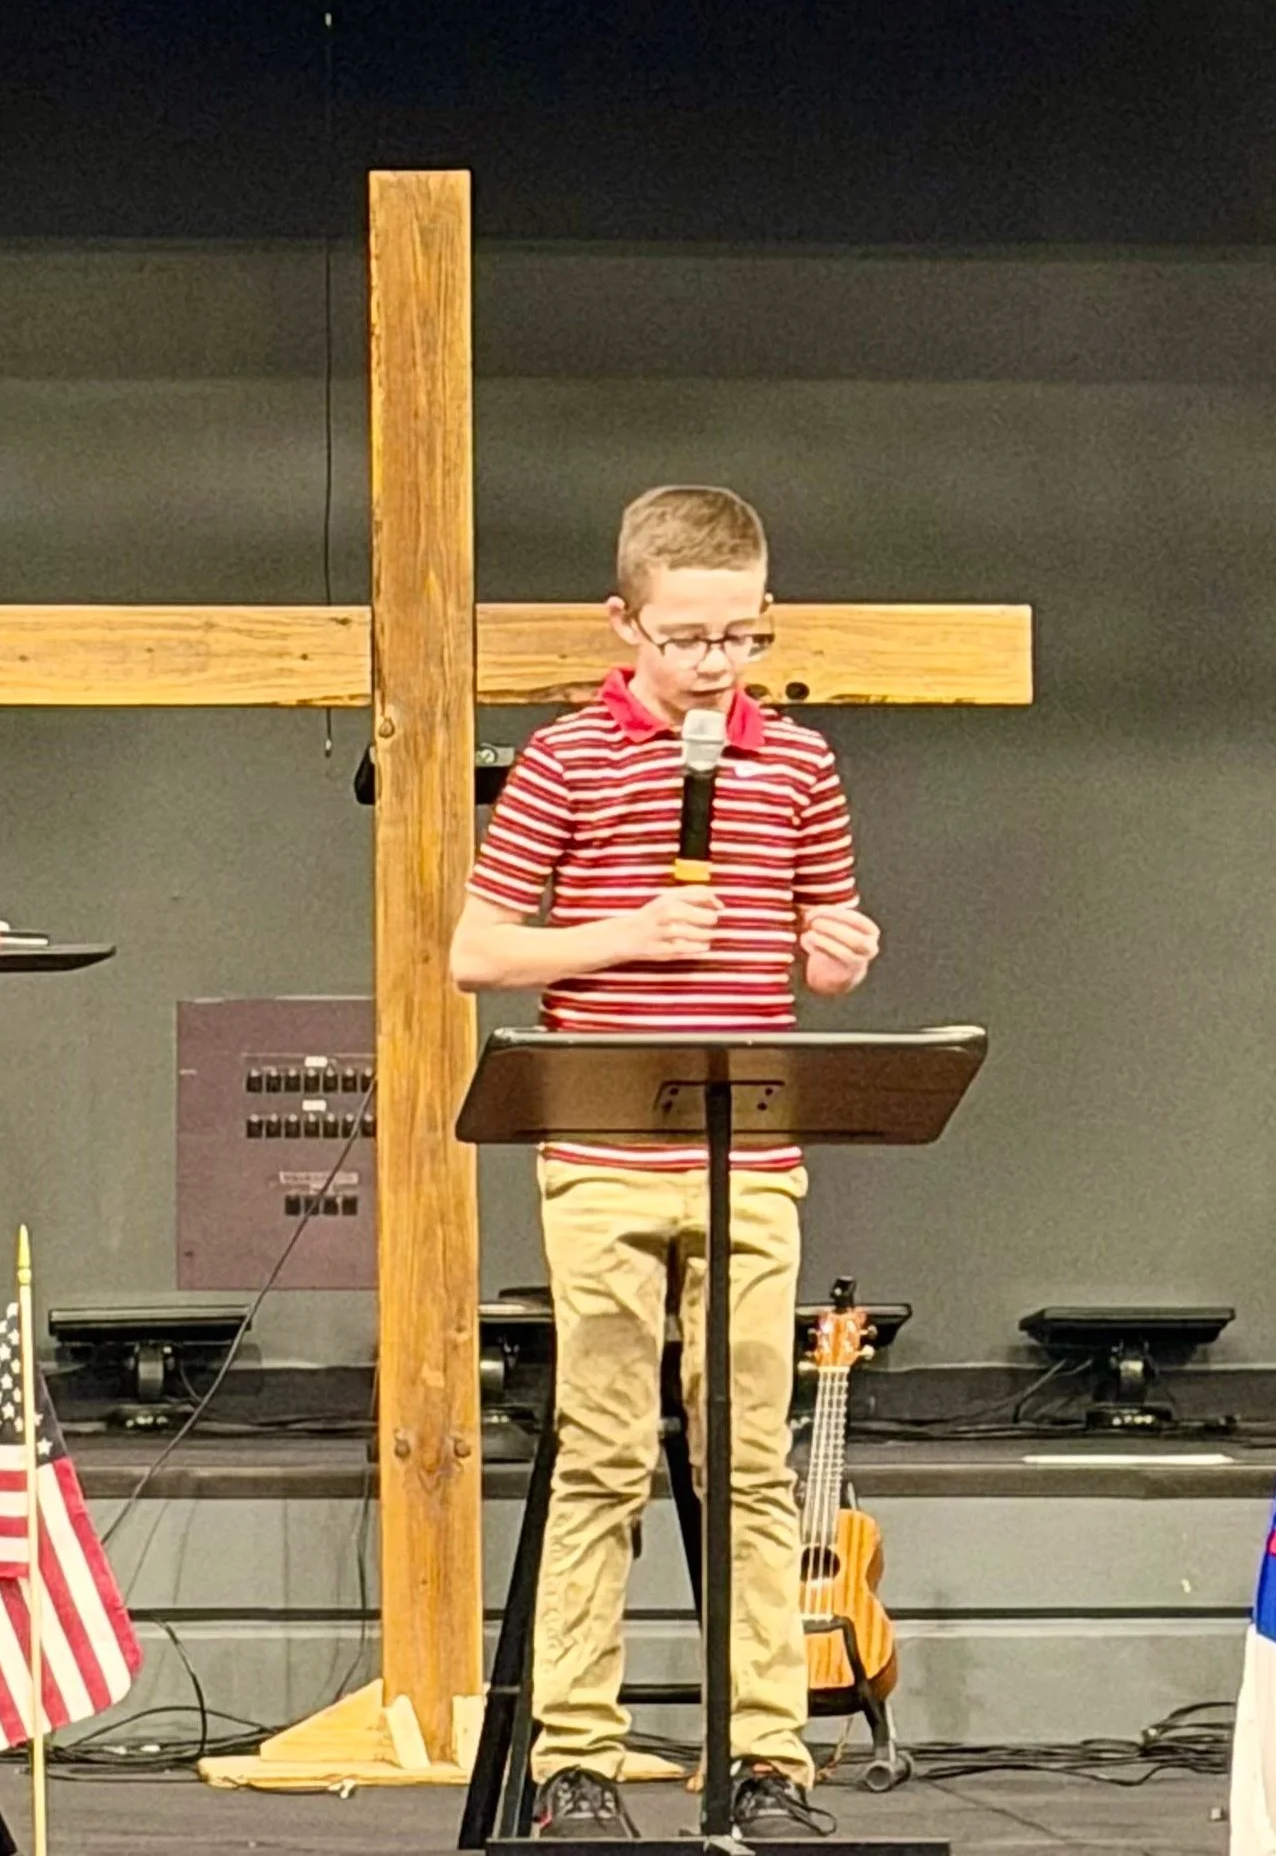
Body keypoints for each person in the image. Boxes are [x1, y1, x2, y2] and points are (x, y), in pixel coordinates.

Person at [449, 485, 881, 1843]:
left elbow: (825, 932)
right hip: (601, 1152)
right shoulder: (567, 761)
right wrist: (625, 934)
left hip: (749, 1154)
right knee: (604, 1453)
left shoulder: (797, 765)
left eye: (739, 637)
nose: (714, 663)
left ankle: (765, 1758)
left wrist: (837, 952)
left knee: (750, 1459)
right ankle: (575, 1758)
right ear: (624, 622)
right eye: (687, 638)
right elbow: (477, 951)